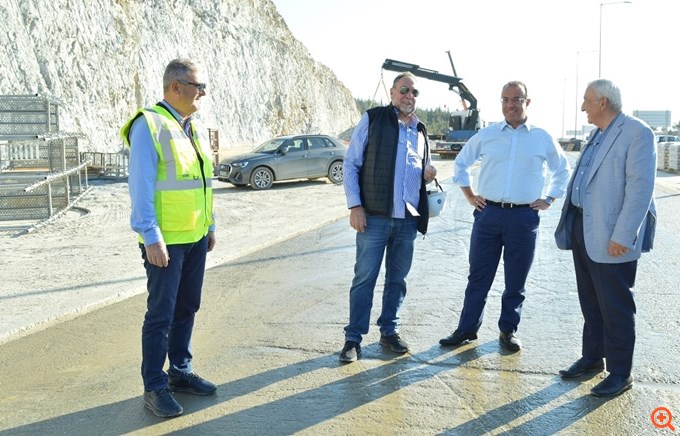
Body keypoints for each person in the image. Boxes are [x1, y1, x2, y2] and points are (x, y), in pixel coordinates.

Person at [439, 81, 570, 352]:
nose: (510, 104)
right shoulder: (487, 135)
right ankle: (467, 328)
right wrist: (469, 195)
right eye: (505, 99)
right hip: (488, 215)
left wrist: (549, 198)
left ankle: (508, 330)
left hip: (523, 218)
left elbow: (562, 170)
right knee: (479, 277)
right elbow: (461, 163)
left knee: (516, 280)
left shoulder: (541, 137)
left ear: (527, 102)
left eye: (516, 99)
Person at [121, 58, 217, 418]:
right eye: (198, 86)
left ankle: (179, 371)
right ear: (175, 87)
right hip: (165, 241)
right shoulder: (149, 125)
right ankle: (154, 385)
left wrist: (210, 225)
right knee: (160, 315)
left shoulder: (192, 126)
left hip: (194, 237)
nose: (203, 93)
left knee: (187, 307)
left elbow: (203, 182)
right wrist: (150, 236)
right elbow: (141, 186)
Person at [555, 79, 656, 397]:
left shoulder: (637, 133)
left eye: (586, 100)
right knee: (591, 301)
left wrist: (624, 236)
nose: (582, 106)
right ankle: (592, 358)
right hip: (584, 230)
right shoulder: (597, 134)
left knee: (616, 306)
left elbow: (640, 189)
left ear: (602, 102)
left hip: (613, 237)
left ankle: (620, 372)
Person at [339, 72, 437, 363]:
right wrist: (355, 206)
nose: (410, 96)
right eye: (404, 90)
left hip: (407, 220)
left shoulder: (421, 129)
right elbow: (351, 164)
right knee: (364, 279)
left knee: (398, 279)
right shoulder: (373, 119)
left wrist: (428, 174)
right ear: (393, 93)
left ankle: (389, 331)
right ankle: (353, 339)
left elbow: (423, 170)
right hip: (374, 218)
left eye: (414, 92)